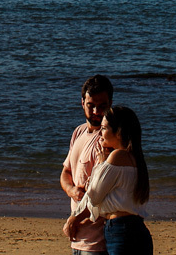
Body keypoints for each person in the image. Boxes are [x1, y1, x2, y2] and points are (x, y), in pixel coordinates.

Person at [63, 106, 152, 255]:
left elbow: (94, 196)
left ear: (118, 132)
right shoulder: (135, 158)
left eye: (104, 128)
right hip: (137, 229)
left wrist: (102, 163)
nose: (100, 134)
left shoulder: (117, 156)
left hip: (121, 230)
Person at [62, 75, 113, 253]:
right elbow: (66, 172)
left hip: (97, 241)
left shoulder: (108, 141)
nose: (96, 112)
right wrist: (71, 190)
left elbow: (99, 194)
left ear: (110, 104)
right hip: (77, 237)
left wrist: (73, 220)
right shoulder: (79, 132)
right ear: (82, 103)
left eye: (102, 106)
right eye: (91, 105)